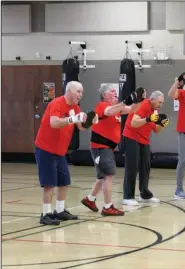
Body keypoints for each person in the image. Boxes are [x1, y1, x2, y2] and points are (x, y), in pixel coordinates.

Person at [35, 81, 98, 225]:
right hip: (46, 149)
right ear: (69, 91)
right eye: (78, 92)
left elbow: (81, 127)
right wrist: (72, 118)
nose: (80, 95)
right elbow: (54, 123)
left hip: (60, 151)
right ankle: (45, 214)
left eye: (81, 92)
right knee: (49, 183)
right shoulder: (57, 103)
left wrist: (91, 121)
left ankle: (60, 210)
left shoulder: (75, 107)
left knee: (63, 181)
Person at [81, 84, 142, 216]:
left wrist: (138, 100)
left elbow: (132, 110)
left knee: (103, 175)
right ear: (104, 95)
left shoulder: (117, 109)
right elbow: (109, 112)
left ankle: (90, 199)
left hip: (108, 148)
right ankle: (107, 206)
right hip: (100, 147)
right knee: (108, 175)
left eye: (115, 90)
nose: (115, 92)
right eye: (111, 91)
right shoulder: (102, 105)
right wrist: (124, 102)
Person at [122, 90, 169, 206]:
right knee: (132, 167)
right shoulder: (144, 105)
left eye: (162, 103)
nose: (161, 105)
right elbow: (133, 122)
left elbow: (156, 130)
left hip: (144, 139)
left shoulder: (155, 110)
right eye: (159, 102)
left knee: (145, 167)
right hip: (131, 137)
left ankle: (144, 194)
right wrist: (148, 119)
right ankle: (128, 196)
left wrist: (162, 124)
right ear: (152, 99)